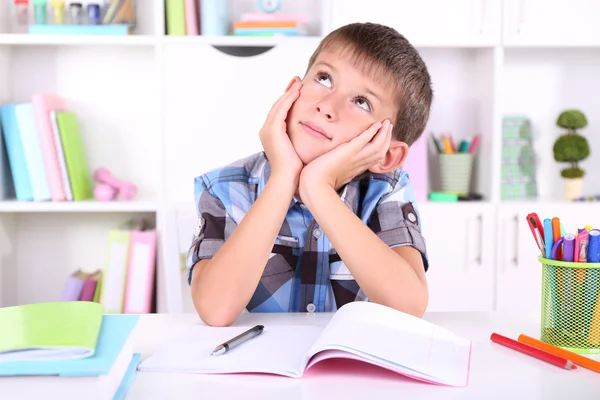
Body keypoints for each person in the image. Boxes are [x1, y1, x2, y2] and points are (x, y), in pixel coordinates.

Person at [186, 22, 433, 327]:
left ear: (387, 155)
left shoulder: (385, 191)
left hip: (351, 370)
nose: (327, 107)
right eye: (324, 78)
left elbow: (408, 307)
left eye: (361, 102)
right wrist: (283, 178)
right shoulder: (224, 188)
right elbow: (215, 310)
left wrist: (318, 188)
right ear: (292, 89)